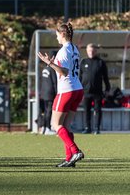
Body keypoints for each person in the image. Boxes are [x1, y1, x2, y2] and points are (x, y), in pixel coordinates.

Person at [37, 23, 84, 168]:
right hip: (78, 89)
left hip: (67, 89)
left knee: (54, 124)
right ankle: (69, 159)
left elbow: (63, 72)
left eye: (57, 34)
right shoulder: (75, 49)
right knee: (66, 126)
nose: (56, 37)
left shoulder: (63, 51)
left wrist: (49, 63)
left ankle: (75, 151)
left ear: (63, 34)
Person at [80, 43, 110, 135]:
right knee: (86, 110)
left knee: (97, 110)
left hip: (97, 92)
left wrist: (107, 89)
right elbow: (79, 77)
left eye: (93, 51)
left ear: (96, 51)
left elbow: (105, 77)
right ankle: (87, 128)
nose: (91, 52)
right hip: (85, 91)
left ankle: (97, 128)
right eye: (89, 50)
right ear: (87, 51)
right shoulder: (83, 62)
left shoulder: (100, 62)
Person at [40, 51, 57, 135]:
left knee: (45, 111)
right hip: (50, 93)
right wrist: (57, 93)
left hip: (44, 93)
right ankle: (47, 128)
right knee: (49, 111)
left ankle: (43, 127)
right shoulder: (52, 69)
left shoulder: (45, 68)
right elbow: (54, 82)